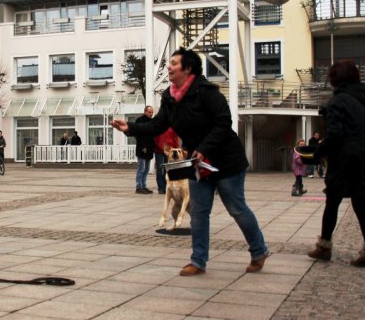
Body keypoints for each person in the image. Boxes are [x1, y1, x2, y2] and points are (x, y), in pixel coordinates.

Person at [112, 47, 269, 275]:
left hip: (226, 161)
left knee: (237, 209)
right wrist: (130, 127)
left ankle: (259, 250)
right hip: (198, 165)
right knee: (198, 212)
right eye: (169, 63)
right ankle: (198, 261)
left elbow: (223, 123)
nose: (169, 67)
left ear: (188, 69)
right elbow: (157, 125)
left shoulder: (207, 93)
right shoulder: (169, 97)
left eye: (174, 63)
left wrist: (204, 148)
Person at [307, 60, 365, 268]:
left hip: (348, 159)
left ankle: (324, 247)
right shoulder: (364, 101)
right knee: (360, 204)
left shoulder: (338, 102)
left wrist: (318, 153)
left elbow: (336, 135)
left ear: (335, 80)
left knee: (332, 202)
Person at [134, 105, 155, 194]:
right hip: (142, 149)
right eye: (149, 112)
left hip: (150, 149)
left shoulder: (152, 121)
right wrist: (143, 146)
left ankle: (144, 186)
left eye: (152, 112)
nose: (151, 114)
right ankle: (139, 187)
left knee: (146, 169)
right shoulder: (139, 120)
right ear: (145, 112)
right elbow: (137, 135)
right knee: (141, 169)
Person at [154, 127, 179, 194]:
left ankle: (166, 186)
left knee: (167, 169)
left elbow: (175, 138)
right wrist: (163, 148)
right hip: (159, 150)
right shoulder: (159, 126)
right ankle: (160, 187)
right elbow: (155, 139)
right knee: (159, 169)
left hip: (170, 150)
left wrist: (176, 150)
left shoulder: (172, 127)